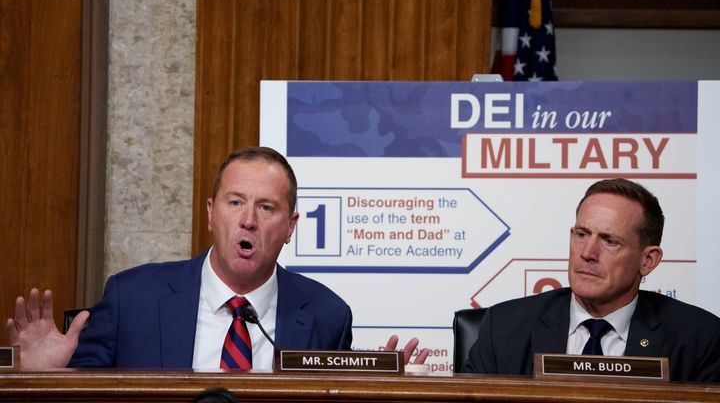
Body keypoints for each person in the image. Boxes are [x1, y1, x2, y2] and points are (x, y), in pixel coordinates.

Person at [8, 146, 428, 369]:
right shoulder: (131, 298)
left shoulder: (327, 315)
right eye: (234, 202)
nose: (248, 221)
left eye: (266, 208)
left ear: (290, 226)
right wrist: (43, 378)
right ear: (210, 212)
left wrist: (385, 395)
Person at [463, 178, 720, 382]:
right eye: (582, 235)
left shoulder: (699, 339)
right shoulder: (504, 328)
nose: (587, 253)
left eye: (610, 241)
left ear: (648, 260)